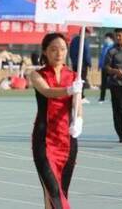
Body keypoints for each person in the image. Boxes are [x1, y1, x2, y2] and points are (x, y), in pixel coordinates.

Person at [28, 33, 83, 209]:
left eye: (62, 49)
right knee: (53, 190)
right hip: (44, 140)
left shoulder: (74, 76)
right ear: (45, 51)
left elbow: (77, 104)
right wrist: (68, 90)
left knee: (59, 192)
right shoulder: (37, 74)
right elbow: (47, 91)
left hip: (67, 141)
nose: (59, 53)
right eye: (53, 49)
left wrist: (79, 120)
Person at [69, 29, 91, 103]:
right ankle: (81, 97)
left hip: (75, 64)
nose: (88, 35)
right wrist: (89, 63)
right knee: (82, 80)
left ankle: (75, 95)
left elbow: (70, 52)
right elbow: (86, 52)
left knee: (75, 80)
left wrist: (73, 61)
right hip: (83, 64)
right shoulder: (83, 40)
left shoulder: (73, 40)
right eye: (88, 33)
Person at [98, 33, 115, 103]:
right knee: (103, 83)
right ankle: (102, 98)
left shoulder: (113, 46)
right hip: (103, 67)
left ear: (110, 38)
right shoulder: (104, 46)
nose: (105, 39)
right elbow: (102, 56)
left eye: (106, 38)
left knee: (112, 83)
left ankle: (113, 98)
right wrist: (99, 65)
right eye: (105, 38)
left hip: (110, 67)